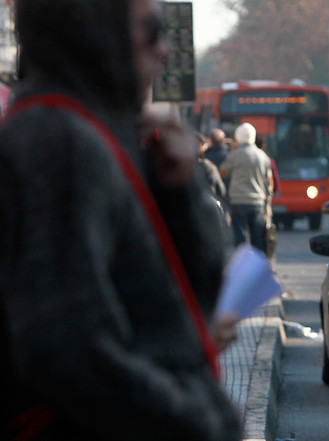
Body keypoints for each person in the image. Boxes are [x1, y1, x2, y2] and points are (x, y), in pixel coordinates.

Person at [0, 0, 242, 440]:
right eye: (151, 30)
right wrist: (198, 419)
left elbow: (192, 299)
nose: (166, 50)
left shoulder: (96, 132)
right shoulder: (58, 140)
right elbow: (67, 347)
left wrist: (179, 190)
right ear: (96, 32)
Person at [219, 123, 273, 253]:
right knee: (258, 238)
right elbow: (269, 183)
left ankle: (241, 267)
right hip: (257, 202)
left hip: (238, 201)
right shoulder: (263, 156)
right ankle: (257, 267)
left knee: (239, 238)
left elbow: (222, 172)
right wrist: (267, 203)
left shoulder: (234, 155)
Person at [255, 134, 280, 261]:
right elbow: (273, 184)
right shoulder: (267, 160)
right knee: (261, 234)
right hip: (261, 202)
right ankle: (263, 260)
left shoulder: (236, 156)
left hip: (239, 202)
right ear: (263, 146)